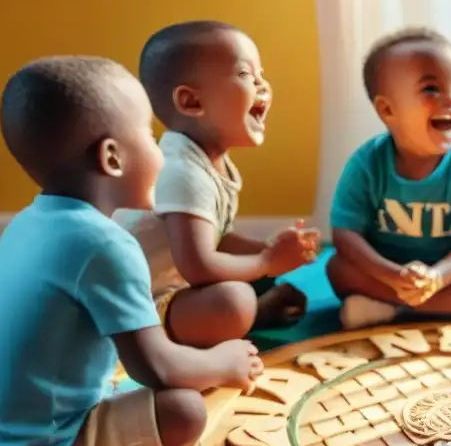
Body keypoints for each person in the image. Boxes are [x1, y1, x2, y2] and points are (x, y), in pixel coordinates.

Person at [0, 56, 265, 446]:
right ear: (113, 158)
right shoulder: (104, 243)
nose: (162, 154)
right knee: (186, 409)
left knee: (166, 382)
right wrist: (226, 363)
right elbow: (157, 366)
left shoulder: (30, 221)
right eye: (149, 134)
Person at [114, 21, 319, 349]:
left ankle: (246, 313)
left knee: (255, 281)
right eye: (245, 75)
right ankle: (245, 318)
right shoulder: (182, 170)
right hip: (131, 312)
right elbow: (199, 266)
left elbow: (216, 238)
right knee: (234, 301)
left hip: (170, 286)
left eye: (261, 75)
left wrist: (268, 249)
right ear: (192, 102)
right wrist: (266, 261)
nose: (263, 86)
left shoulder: (206, 159)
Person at [325, 27, 451, 329]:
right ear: (388, 110)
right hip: (385, 272)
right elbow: (346, 236)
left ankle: (392, 311)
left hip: (448, 276)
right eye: (431, 89)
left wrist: (438, 277)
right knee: (337, 268)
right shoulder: (366, 164)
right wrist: (392, 276)